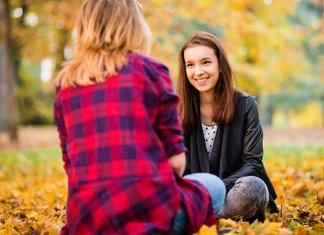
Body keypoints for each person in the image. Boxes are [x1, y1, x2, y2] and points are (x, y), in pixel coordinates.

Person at [54, 1, 225, 234]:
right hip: (147, 212)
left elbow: (70, 163)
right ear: (134, 25)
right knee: (213, 185)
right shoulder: (150, 70)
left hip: (88, 220)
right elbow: (176, 163)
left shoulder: (65, 84)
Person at [177, 31, 278, 223]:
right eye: (190, 65)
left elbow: (253, 164)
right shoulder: (177, 109)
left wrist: (215, 189)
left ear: (220, 65)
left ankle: (202, 218)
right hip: (193, 195)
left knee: (254, 188)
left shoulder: (246, 105)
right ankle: (210, 217)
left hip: (232, 192)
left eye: (206, 62)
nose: (198, 71)